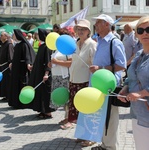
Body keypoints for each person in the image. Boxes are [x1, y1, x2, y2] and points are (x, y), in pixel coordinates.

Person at [90, 14, 126, 150]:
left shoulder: (114, 42)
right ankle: (104, 144)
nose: (95, 25)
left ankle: (110, 147)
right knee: (102, 115)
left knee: (110, 117)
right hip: (100, 85)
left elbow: (122, 65)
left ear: (107, 24)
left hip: (109, 85)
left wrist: (100, 68)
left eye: (98, 22)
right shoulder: (100, 41)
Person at [60, 18, 97, 137]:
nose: (80, 31)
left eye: (83, 29)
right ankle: (81, 135)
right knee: (78, 112)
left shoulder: (92, 44)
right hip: (74, 81)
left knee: (86, 111)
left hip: (85, 82)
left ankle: (89, 137)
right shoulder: (75, 44)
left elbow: (94, 63)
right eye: (78, 29)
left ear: (88, 31)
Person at [118, 16, 149, 150]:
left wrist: (141, 93)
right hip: (138, 112)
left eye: (148, 29)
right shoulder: (138, 55)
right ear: (136, 34)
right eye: (141, 30)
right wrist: (125, 89)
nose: (145, 33)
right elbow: (131, 78)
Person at [28, 28, 55, 118]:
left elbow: (48, 61)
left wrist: (46, 74)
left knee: (45, 93)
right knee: (40, 93)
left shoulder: (47, 47)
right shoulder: (41, 46)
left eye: (39, 35)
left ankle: (47, 111)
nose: (38, 37)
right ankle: (42, 110)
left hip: (44, 74)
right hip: (39, 73)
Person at [49, 28, 72, 124]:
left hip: (64, 76)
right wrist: (50, 64)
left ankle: (69, 119)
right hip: (56, 76)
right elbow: (53, 61)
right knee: (61, 98)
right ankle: (66, 117)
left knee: (66, 97)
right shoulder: (56, 49)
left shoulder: (68, 49)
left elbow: (71, 63)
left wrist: (57, 62)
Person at [8, 29, 36, 109]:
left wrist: (28, 64)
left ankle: (23, 102)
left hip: (21, 68)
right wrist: (12, 62)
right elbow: (15, 56)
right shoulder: (17, 45)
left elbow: (27, 56)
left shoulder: (24, 44)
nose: (13, 36)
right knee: (15, 84)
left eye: (14, 35)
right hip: (16, 68)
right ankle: (15, 102)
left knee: (21, 84)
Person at [0, 32, 14, 100]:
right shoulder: (3, 44)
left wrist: (10, 63)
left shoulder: (9, 44)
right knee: (3, 81)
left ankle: (8, 95)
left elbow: (10, 55)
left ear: (6, 36)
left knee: (7, 81)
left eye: (1, 35)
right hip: (2, 65)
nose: (0, 36)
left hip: (6, 66)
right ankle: (4, 94)